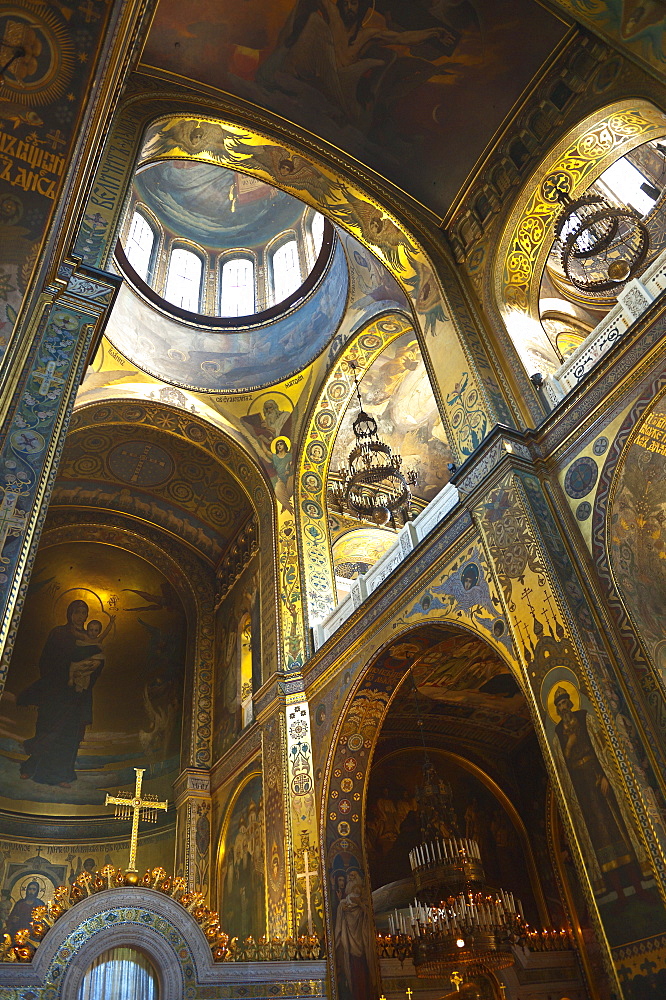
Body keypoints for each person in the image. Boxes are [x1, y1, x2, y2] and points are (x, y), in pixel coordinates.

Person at [17, 600, 105, 788]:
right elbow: (46, 660)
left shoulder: (90, 637)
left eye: (84, 612)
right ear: (69, 613)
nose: (80, 616)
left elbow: (99, 662)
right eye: (77, 612)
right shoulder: (59, 633)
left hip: (77, 695)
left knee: (69, 736)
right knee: (49, 730)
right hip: (55, 692)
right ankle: (31, 768)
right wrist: (67, 669)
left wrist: (88, 669)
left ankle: (61, 775)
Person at [69, 617, 114, 692]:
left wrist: (111, 623)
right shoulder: (84, 637)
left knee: (94, 664)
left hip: (92, 661)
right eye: (91, 630)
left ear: (99, 632)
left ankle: (82, 676)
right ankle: (74, 678)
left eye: (96, 630)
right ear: (87, 630)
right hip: (82, 660)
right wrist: (72, 627)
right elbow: (76, 634)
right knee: (75, 666)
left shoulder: (98, 639)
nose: (93, 632)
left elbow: (106, 632)